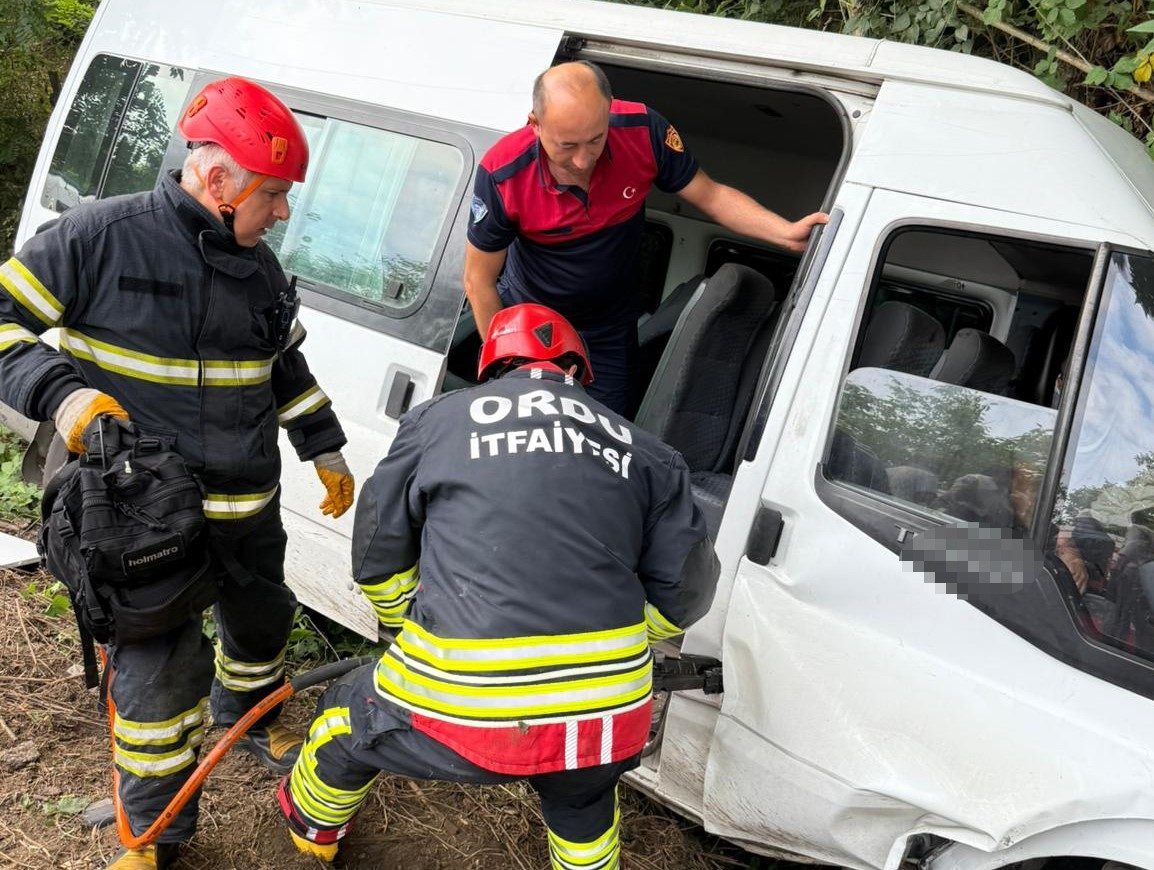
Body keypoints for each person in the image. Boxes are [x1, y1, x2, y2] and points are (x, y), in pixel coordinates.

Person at [0, 77, 355, 870]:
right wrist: (61, 396)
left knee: (261, 625)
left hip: (247, 511)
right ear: (218, 179)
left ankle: (252, 716)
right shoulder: (97, 237)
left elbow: (283, 367)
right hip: (143, 526)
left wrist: (323, 446)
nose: (285, 213)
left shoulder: (259, 268)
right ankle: (154, 838)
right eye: (275, 194)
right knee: (159, 686)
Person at [278, 303, 720, 867]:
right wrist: (634, 632)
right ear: (580, 373)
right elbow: (687, 592)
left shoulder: (438, 420)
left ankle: (308, 833)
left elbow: (378, 549)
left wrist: (402, 616)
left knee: (347, 716)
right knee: (585, 797)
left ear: (492, 368)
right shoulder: (648, 452)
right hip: (605, 720)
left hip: (460, 706)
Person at [464, 60, 828, 414]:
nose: (582, 160)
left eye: (595, 140)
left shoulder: (644, 132)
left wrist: (785, 233)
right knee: (530, 434)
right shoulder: (503, 174)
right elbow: (478, 281)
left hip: (609, 327)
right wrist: (509, 364)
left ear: (609, 112)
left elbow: (711, 196)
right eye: (567, 146)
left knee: (606, 435)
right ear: (535, 124)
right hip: (535, 325)